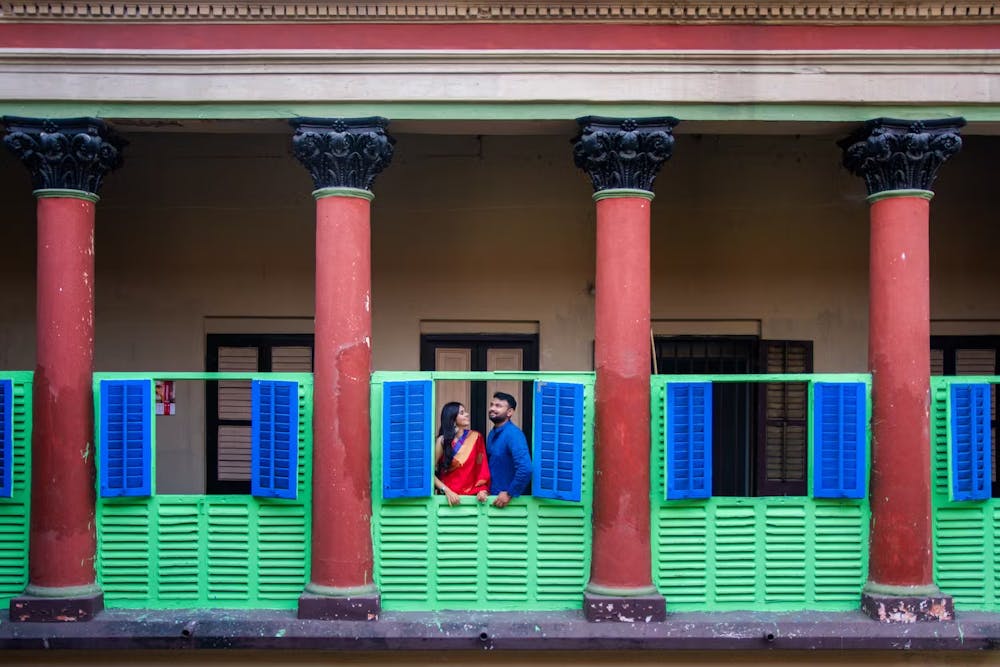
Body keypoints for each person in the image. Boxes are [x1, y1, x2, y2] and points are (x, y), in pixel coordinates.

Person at [433, 402, 490, 506]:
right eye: (462, 413)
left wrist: (482, 490)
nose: (467, 414)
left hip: (472, 498)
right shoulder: (442, 441)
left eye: (465, 412)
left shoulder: (476, 437)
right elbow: (429, 473)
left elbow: (482, 468)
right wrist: (447, 491)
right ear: (452, 418)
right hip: (447, 499)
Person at [485, 391, 531, 508]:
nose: (492, 408)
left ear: (509, 412)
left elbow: (525, 468)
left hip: (510, 503)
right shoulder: (492, 434)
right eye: (491, 405)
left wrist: (510, 493)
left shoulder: (513, 434)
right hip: (492, 499)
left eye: (498, 406)